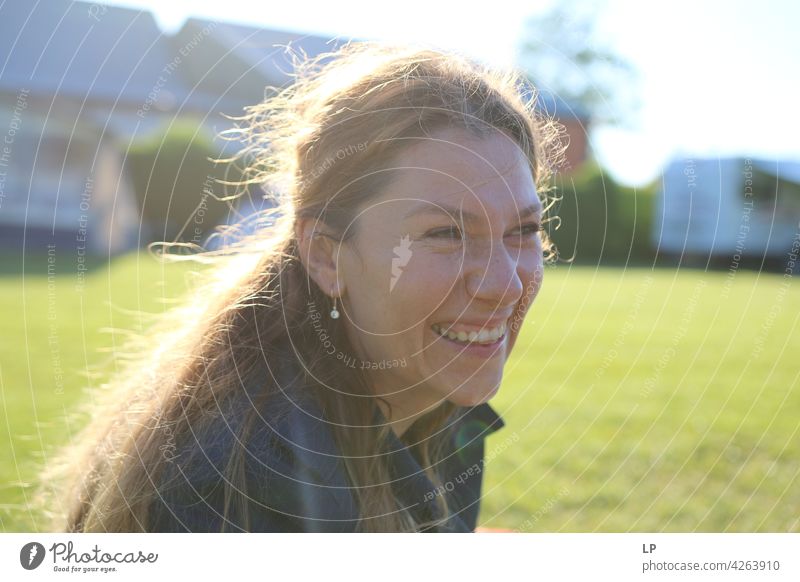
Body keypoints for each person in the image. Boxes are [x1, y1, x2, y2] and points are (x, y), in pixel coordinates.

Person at [36, 41, 565, 532]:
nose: (504, 284)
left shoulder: (433, 403)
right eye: (446, 233)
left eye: (524, 230)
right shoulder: (249, 491)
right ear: (325, 255)